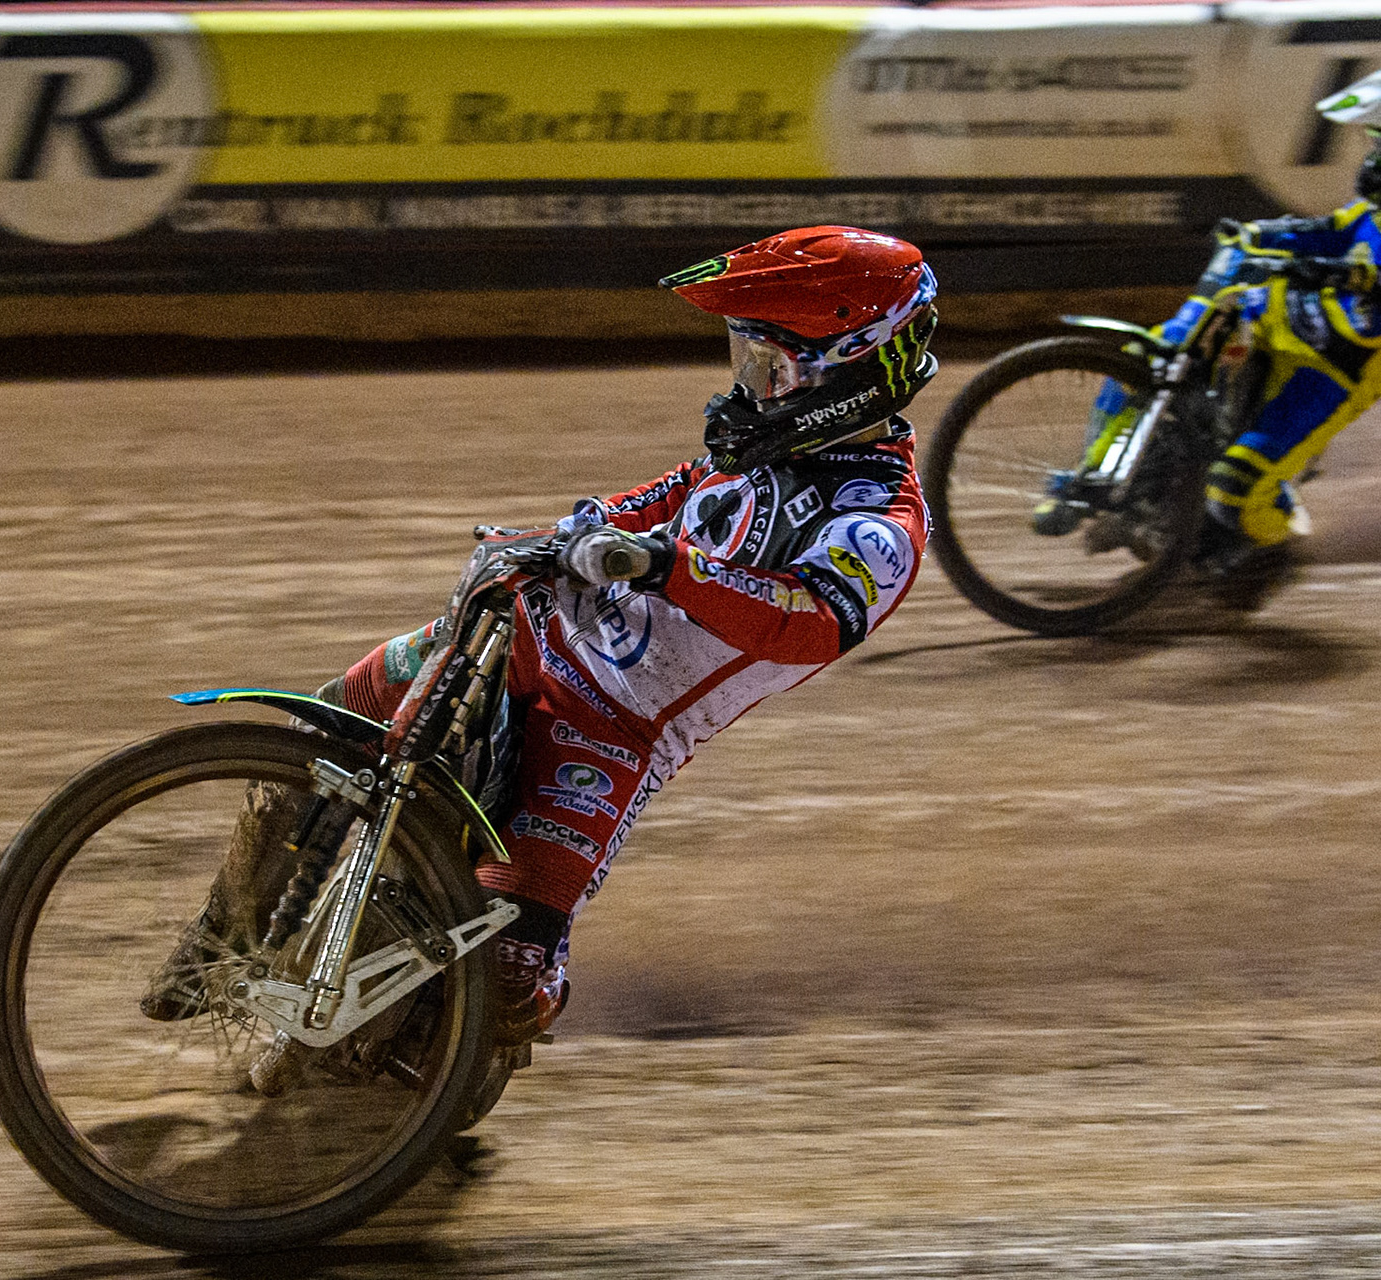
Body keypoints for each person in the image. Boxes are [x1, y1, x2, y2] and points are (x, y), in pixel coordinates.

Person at [149, 226, 938, 1049]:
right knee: (326, 724)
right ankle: (217, 942)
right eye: (747, 359)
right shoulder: (761, 444)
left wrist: (667, 566)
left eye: (772, 366)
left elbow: (805, 622)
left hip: (611, 732)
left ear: (853, 369)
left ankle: (402, 1112)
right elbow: (660, 497)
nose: (751, 385)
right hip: (518, 637)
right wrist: (558, 534)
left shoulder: (881, 525)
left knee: (507, 982)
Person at [1037, 49, 1381, 609]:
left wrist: (1359, 277)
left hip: (1332, 372)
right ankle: (1092, 477)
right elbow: (1329, 231)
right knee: (1151, 356)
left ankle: (1270, 534)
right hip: (1277, 323)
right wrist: (1263, 235)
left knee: (1234, 487)